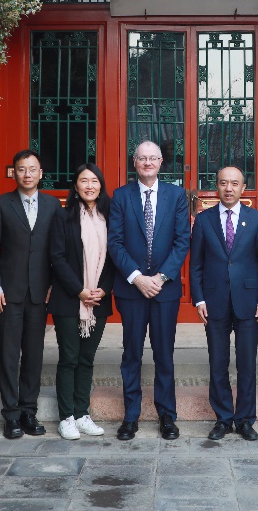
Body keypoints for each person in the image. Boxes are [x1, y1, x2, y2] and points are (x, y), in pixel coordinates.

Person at [108, 140, 190, 441]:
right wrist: (137, 277)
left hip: (164, 290)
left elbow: (182, 240)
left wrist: (161, 277)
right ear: (134, 162)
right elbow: (115, 242)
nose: (147, 163)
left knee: (164, 354)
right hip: (131, 290)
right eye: (142, 158)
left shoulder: (176, 195)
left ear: (160, 162)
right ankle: (131, 416)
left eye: (152, 158)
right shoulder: (121, 196)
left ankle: (167, 415)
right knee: (131, 353)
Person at [190, 166, 258, 441]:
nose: (228, 188)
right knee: (218, 362)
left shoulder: (257, 219)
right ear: (216, 186)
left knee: (247, 363)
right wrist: (199, 298)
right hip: (214, 301)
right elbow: (196, 265)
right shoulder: (204, 220)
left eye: (234, 184)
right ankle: (223, 418)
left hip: (248, 301)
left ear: (243, 188)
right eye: (223, 183)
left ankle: (246, 419)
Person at [0, 150, 61, 439]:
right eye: (21, 169)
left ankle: (29, 410)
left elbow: (59, 250)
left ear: (41, 173)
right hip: (8, 291)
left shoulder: (53, 205)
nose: (27, 174)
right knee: (8, 353)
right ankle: (11, 414)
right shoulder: (0, 204)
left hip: (40, 292)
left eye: (32, 169)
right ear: (13, 173)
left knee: (33, 353)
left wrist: (53, 283)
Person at [48, 163, 115, 440]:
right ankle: (66, 417)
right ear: (75, 186)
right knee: (69, 358)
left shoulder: (109, 216)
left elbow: (114, 257)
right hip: (69, 299)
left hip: (98, 300)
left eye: (94, 181)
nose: (89, 186)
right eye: (84, 181)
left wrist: (104, 289)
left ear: (101, 186)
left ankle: (81, 413)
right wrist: (79, 290)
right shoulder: (63, 216)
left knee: (87, 358)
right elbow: (57, 257)